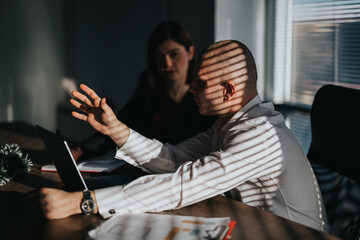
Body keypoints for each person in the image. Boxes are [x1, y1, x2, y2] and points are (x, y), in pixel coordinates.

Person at [37, 40, 331, 233]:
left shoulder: (261, 135)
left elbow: (183, 184)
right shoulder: (229, 124)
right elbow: (174, 159)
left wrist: (84, 202)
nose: (191, 90)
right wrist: (118, 131)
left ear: (228, 90)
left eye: (200, 84)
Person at [71, 21, 215, 161]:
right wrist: (81, 149)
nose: (167, 63)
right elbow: (118, 125)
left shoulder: (202, 97)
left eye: (174, 54)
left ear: (190, 53)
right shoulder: (148, 89)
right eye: (159, 57)